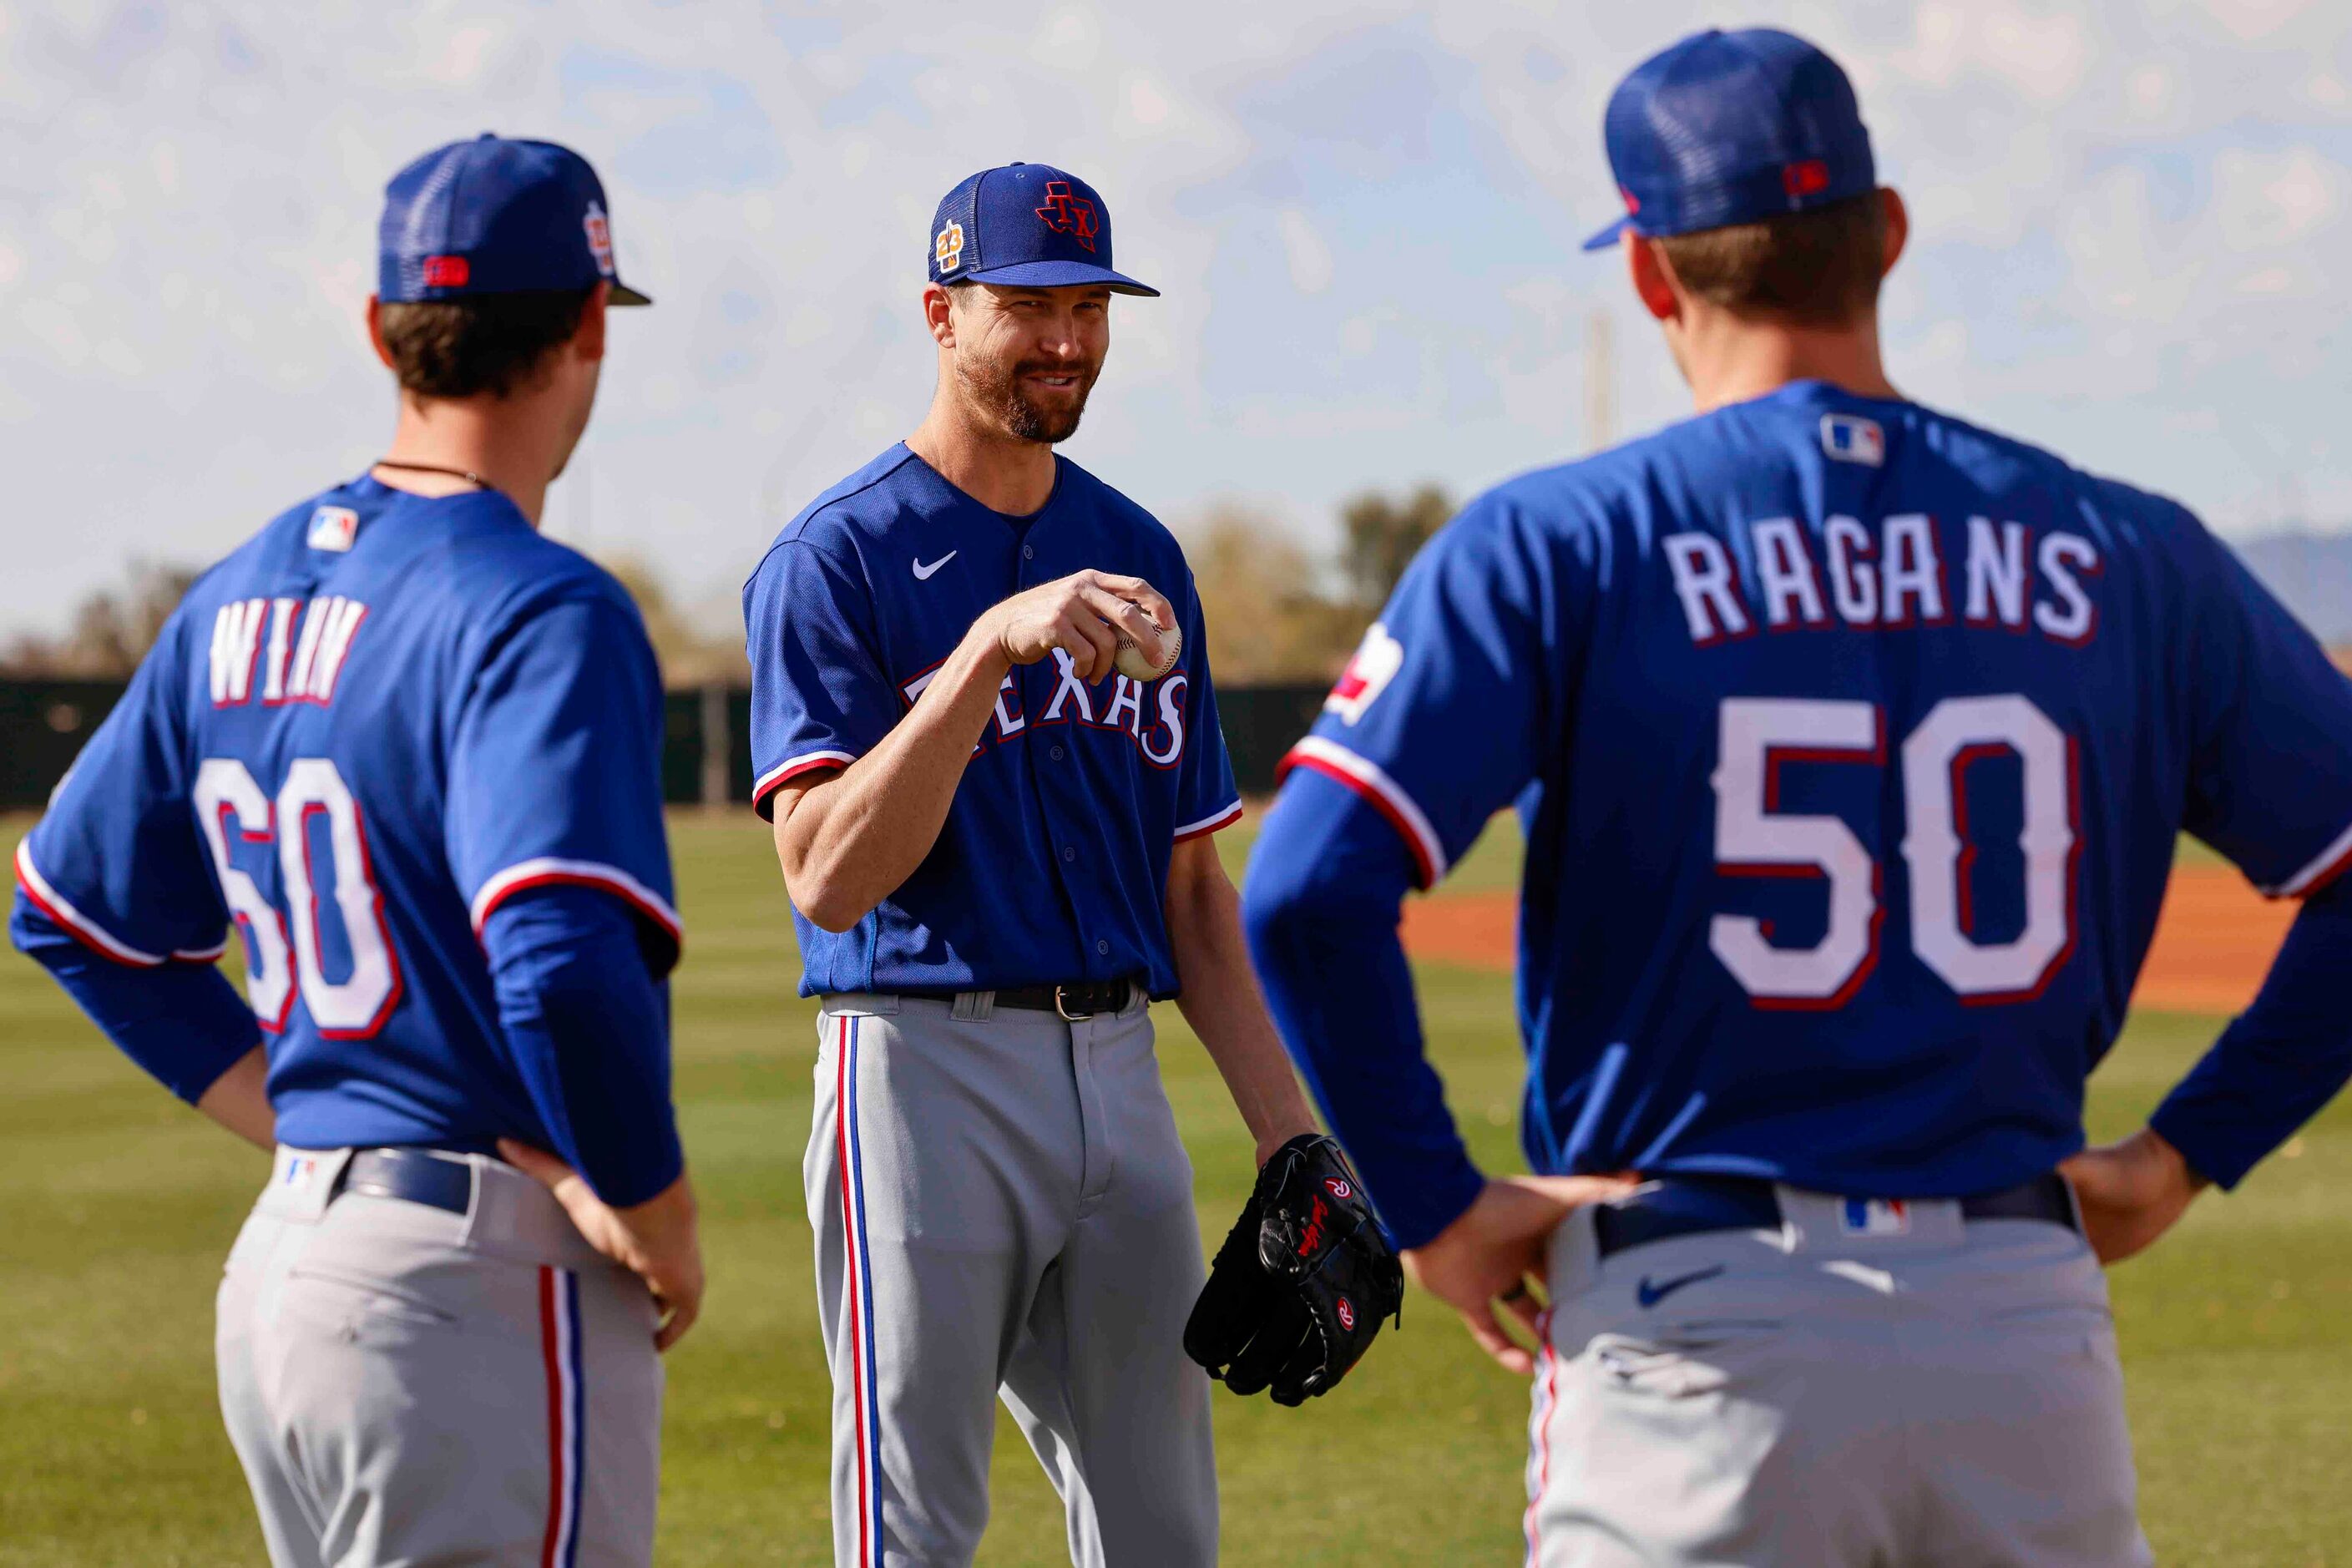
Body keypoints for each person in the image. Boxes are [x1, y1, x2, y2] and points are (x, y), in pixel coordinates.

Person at [1241, 27, 2352, 1566]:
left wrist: (1432, 1206)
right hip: (2020, 1322)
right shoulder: (2128, 548)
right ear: (1884, 238)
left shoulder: (1560, 541)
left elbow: (1302, 887)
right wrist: (2182, 1150)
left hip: (1695, 1323)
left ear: (1648, 273)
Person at [10, 134, 702, 1568]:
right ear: (586, 323)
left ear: (382, 326)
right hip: (476, 1288)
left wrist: (315, 1119)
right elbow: (564, 957)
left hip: (285, 1276)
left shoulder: (239, 590)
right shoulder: (537, 606)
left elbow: (70, 912)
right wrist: (652, 1205)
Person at [742, 162, 1354, 1568]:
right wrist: (986, 649)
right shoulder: (836, 558)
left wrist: (1288, 1133)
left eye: (1088, 304)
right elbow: (828, 875)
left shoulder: (1136, 551)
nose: (1065, 338)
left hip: (1119, 1072)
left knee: (1161, 1530)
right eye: (1026, 305)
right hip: (920, 1068)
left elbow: (1192, 885)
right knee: (914, 1530)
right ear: (941, 314)